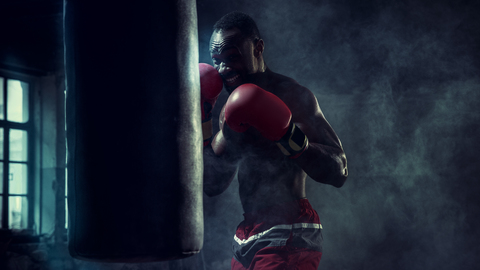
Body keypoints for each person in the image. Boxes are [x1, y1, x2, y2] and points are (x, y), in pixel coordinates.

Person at [200, 11, 348, 270]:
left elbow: (340, 170)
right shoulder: (230, 110)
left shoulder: (293, 95)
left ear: (258, 48)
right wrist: (202, 115)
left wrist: (287, 136)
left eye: (233, 57)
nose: (224, 69)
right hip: (247, 233)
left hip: (289, 229)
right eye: (217, 61)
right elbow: (212, 183)